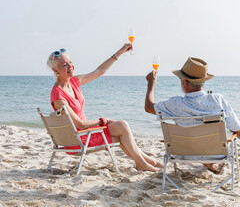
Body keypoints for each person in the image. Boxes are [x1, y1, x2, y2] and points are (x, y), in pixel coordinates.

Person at [47, 44, 162, 172]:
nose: (70, 66)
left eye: (70, 62)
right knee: (122, 128)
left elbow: (100, 71)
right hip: (77, 140)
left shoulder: (74, 82)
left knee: (122, 131)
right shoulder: (58, 95)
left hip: (84, 133)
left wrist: (121, 51)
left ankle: (151, 162)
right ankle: (144, 163)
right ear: (55, 70)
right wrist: (104, 120)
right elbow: (80, 124)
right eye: (64, 65)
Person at [144, 57, 240, 173]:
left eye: (181, 79)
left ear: (185, 82)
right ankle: (209, 161)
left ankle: (207, 161)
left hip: (183, 152)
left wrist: (151, 83)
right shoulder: (218, 100)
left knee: (192, 137)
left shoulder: (175, 103)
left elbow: (148, 107)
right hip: (216, 154)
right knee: (209, 142)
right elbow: (235, 127)